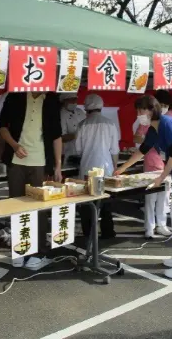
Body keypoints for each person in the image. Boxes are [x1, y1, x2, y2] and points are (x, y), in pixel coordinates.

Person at [115, 96, 172, 278]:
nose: (139, 114)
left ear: (152, 109)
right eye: (138, 111)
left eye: (142, 111)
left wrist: (161, 177)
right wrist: (121, 169)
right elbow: (142, 150)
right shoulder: (154, 129)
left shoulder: (167, 124)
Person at [0, 92, 62, 269]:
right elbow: (2, 127)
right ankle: (20, 251)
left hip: (40, 162)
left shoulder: (51, 99)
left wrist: (57, 166)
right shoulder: (15, 96)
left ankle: (38, 253)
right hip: (16, 161)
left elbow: (56, 134)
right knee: (17, 206)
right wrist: (15, 145)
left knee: (39, 209)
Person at [76, 94, 119, 239]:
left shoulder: (82, 125)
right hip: (105, 168)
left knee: (87, 201)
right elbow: (114, 150)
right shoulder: (110, 124)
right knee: (105, 201)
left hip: (87, 167)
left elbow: (78, 150)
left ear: (86, 108)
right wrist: (115, 168)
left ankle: (89, 233)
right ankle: (108, 231)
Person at [134, 91, 172, 239]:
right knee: (151, 198)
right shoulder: (146, 122)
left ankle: (161, 225)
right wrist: (147, 139)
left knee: (164, 197)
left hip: (165, 165)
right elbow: (137, 137)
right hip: (151, 164)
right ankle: (149, 227)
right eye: (161, 105)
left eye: (165, 106)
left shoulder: (168, 120)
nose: (163, 108)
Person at [60, 93, 85, 165]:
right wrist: (77, 135)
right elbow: (62, 137)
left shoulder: (80, 111)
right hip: (70, 153)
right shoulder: (61, 114)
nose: (74, 102)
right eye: (71, 100)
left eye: (75, 100)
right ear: (64, 101)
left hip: (84, 151)